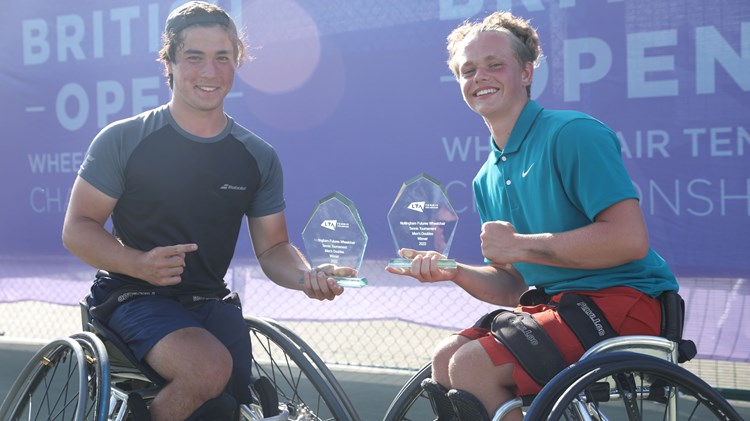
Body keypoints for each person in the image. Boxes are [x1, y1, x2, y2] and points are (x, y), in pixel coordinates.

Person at [61, 2, 354, 420]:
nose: (210, 72)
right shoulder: (123, 139)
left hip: (210, 302)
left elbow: (274, 249)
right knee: (208, 370)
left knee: (224, 407)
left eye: (223, 58)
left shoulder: (257, 156)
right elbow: (77, 228)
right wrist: (138, 263)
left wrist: (306, 276)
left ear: (238, 62)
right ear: (170, 62)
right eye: (194, 57)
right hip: (132, 296)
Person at [386, 11, 680, 421]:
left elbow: (629, 240)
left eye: (494, 65)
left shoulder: (573, 133)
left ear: (526, 73)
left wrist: (521, 244)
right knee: (445, 359)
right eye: (467, 70)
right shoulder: (485, 177)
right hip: (557, 307)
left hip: (628, 300)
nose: (479, 77)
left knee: (471, 365)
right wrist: (453, 270)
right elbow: (514, 286)